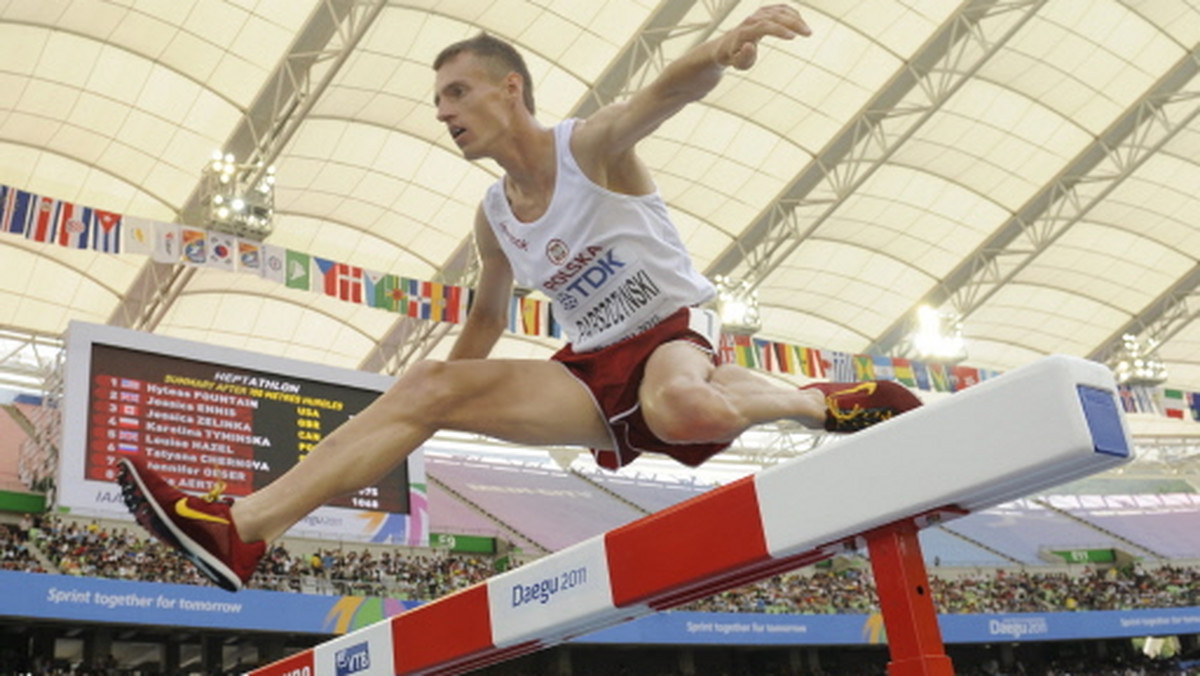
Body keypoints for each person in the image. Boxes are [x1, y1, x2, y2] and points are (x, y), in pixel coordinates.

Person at [117, 4, 921, 592]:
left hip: (673, 329)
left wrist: (721, 47)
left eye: (458, 94)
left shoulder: (588, 147)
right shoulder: (493, 216)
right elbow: (487, 322)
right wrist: (422, 406)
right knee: (427, 382)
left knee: (683, 408)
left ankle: (818, 404)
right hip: (591, 367)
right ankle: (242, 529)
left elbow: (664, 92)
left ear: (511, 89)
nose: (444, 113)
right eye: (438, 104)